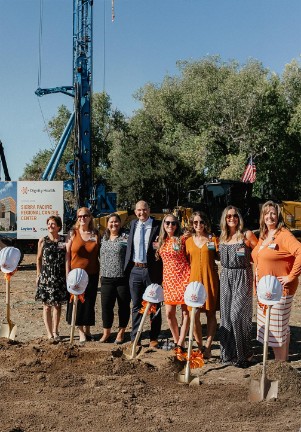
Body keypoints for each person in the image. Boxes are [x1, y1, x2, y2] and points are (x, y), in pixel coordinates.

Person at [252, 200, 301, 361]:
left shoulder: (284, 234)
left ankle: (280, 367)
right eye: (266, 213)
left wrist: (291, 276)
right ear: (262, 216)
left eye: (273, 213)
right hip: (265, 292)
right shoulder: (264, 235)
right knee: (279, 330)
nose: (270, 216)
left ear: (278, 215)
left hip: (279, 291)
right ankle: (283, 365)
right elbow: (257, 257)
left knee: (275, 331)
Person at [219, 205, 258, 367]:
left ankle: (246, 354)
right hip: (226, 277)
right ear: (224, 219)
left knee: (237, 315)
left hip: (242, 275)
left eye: (235, 215)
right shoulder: (222, 237)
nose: (232, 218)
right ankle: (230, 354)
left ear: (239, 217)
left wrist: (258, 274)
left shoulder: (246, 235)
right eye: (228, 216)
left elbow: (260, 253)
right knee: (226, 318)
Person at [124, 200, 163, 347]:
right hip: (135, 269)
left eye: (144, 209)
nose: (142, 213)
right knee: (136, 305)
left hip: (152, 270)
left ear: (149, 209)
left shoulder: (158, 226)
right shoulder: (133, 224)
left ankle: (154, 337)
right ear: (135, 212)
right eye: (139, 210)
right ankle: (136, 337)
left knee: (155, 304)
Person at [185, 211, 219, 359]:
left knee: (211, 313)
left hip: (209, 279)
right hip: (193, 282)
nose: (198, 225)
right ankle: (199, 346)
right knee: (194, 315)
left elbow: (219, 257)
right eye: (195, 222)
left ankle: (208, 346)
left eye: (201, 222)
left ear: (206, 223)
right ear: (192, 224)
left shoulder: (213, 240)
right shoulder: (187, 241)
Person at [66, 207, 100, 344]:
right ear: (77, 218)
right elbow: (67, 256)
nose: (82, 218)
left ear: (90, 217)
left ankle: (87, 330)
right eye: (80, 216)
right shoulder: (72, 233)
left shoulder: (96, 233)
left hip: (92, 274)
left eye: (85, 215)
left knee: (89, 303)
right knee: (78, 303)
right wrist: (67, 274)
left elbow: (99, 253)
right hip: (76, 276)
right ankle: (81, 333)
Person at [157, 213, 190, 351]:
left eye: (173, 223)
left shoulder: (182, 239)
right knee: (169, 313)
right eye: (167, 223)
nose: (170, 225)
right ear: (163, 225)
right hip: (169, 281)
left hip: (183, 277)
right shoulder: (160, 241)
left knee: (185, 312)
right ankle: (177, 340)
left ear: (177, 225)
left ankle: (181, 342)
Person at [99, 213, 131, 344]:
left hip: (122, 278)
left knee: (123, 306)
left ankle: (121, 332)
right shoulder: (103, 238)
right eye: (111, 222)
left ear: (120, 223)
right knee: (106, 306)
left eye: (116, 222)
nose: (114, 224)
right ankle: (106, 332)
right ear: (107, 224)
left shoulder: (126, 238)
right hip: (106, 278)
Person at [36, 216, 67, 342]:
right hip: (46, 277)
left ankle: (55, 331)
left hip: (59, 276)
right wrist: (38, 275)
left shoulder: (64, 240)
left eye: (53, 224)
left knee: (57, 305)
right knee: (47, 306)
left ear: (59, 226)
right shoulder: (43, 240)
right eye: (49, 224)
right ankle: (49, 332)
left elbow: (66, 259)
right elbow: (38, 259)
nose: (50, 226)